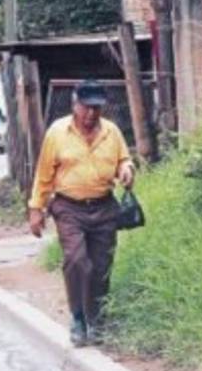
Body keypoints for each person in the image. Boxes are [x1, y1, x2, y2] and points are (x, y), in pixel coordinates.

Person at [27, 80, 135, 347]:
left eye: (96, 108)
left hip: (104, 206)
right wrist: (36, 209)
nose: (91, 114)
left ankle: (97, 320)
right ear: (75, 105)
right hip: (68, 207)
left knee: (101, 266)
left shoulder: (111, 132)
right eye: (86, 108)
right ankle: (77, 318)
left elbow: (124, 159)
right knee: (77, 260)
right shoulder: (57, 133)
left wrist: (126, 170)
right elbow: (44, 174)